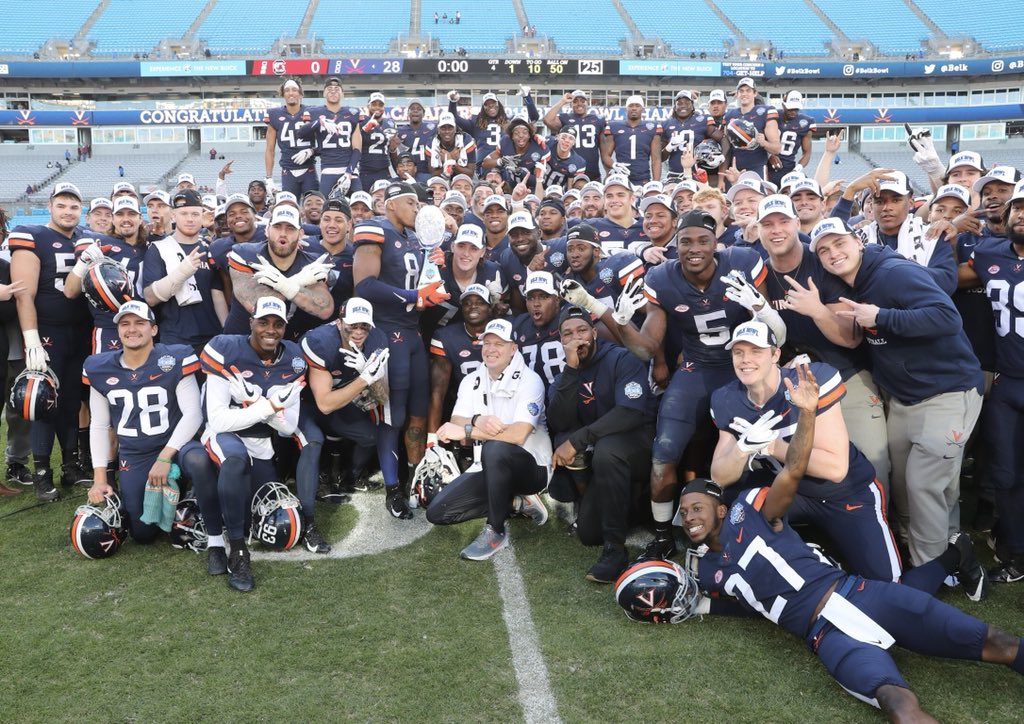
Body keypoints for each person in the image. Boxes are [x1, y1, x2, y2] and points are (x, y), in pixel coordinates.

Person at [673, 364, 1023, 720]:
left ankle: (952, 556)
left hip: (858, 594)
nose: (689, 518)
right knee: (898, 704)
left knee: (1001, 644)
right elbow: (753, 604)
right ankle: (954, 555)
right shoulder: (710, 570)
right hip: (824, 635)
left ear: (720, 509)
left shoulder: (750, 507)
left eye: (696, 508)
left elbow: (793, 471)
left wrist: (807, 413)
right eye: (683, 515)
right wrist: (701, 605)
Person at [811, 217, 984, 569]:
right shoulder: (850, 282)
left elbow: (946, 317)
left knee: (924, 487)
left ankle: (928, 573)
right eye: (824, 250)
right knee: (911, 489)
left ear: (858, 242)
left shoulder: (893, 272)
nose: (833, 253)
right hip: (905, 398)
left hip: (948, 391)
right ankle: (941, 556)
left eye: (839, 243)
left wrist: (881, 316)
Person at [611, 209, 782, 561]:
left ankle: (756, 522)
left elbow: (772, 333)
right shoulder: (661, 278)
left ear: (716, 243)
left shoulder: (743, 261)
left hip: (743, 368)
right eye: (685, 241)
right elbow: (645, 348)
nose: (694, 248)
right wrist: (623, 323)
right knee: (663, 455)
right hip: (696, 368)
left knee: (756, 453)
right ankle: (662, 536)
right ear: (675, 244)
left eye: (703, 240)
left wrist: (761, 308)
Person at [195, 297, 307, 591]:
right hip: (223, 438)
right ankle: (236, 552)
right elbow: (218, 422)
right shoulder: (225, 349)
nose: (271, 329)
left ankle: (222, 528)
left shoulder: (293, 359)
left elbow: (288, 428)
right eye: (264, 322)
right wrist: (267, 408)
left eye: (278, 324)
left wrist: (256, 401)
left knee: (252, 516)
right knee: (235, 460)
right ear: (251, 323)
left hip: (261, 442)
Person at [352, 181, 448, 517]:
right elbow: (363, 285)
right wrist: (415, 297)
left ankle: (414, 480)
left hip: (412, 334)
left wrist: (435, 272)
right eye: (411, 202)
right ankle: (392, 488)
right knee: (391, 416)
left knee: (418, 412)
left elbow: (425, 291)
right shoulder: (374, 229)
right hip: (386, 333)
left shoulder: (414, 239)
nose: (417, 209)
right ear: (391, 204)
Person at [427, 319, 552, 560]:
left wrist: (467, 431)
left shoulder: (530, 380)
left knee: (495, 449)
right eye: (487, 343)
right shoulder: (472, 378)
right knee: (438, 512)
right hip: (488, 466)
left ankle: (495, 530)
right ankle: (516, 502)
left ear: (513, 348)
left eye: (499, 344)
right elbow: (456, 420)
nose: (491, 349)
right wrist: (475, 420)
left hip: (532, 467)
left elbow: (517, 435)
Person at [547, 306, 655, 582]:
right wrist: (571, 370)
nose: (577, 338)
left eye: (582, 330)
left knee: (608, 450)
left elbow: (629, 413)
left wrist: (579, 439)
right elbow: (559, 421)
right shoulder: (564, 377)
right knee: (588, 533)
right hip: (605, 461)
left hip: (639, 448)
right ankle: (637, 503)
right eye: (568, 334)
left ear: (594, 332)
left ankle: (615, 551)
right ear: (561, 341)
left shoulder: (621, 359)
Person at [83, 301, 204, 543]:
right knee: (142, 533)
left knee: (199, 461)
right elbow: (98, 425)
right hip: (135, 454)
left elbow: (194, 414)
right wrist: (100, 479)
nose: (132, 329)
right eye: (125, 324)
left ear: (154, 329)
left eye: (140, 323)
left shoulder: (175, 357)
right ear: (118, 330)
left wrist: (164, 457)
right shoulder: (99, 367)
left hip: (176, 446)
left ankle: (192, 495)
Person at [9, 183, 92, 500]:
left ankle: (70, 466)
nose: (68, 211)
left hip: (79, 331)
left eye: (73, 206)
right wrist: (32, 340)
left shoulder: (85, 236)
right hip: (48, 332)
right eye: (62, 205)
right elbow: (23, 294)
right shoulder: (31, 234)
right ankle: (42, 473)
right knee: (43, 402)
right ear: (51, 205)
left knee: (71, 401)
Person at [960, 179, 1024, 582]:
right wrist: (948, 232)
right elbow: (943, 279)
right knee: (1005, 474)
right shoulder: (989, 254)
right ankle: (1016, 554)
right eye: (1018, 208)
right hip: (1008, 382)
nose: (1021, 215)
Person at [303, 297, 391, 500]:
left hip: (341, 397)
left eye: (364, 326)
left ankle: (350, 476)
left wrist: (371, 375)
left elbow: (383, 396)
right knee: (314, 437)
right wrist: (364, 378)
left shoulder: (376, 340)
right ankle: (322, 476)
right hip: (306, 402)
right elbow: (324, 405)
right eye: (353, 325)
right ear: (340, 322)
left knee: (371, 435)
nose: (359, 331)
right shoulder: (321, 342)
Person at [224, 204, 334, 341]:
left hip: (286, 345)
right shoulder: (244, 254)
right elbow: (254, 303)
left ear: (300, 234)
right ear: (267, 230)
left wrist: (286, 284)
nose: (283, 233)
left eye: (290, 228)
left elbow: (324, 309)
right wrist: (298, 281)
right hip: (240, 340)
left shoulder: (312, 262)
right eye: (277, 227)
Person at [142, 189, 221, 350]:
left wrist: (225, 331)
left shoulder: (210, 248)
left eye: (195, 214)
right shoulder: (158, 249)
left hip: (211, 337)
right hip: (174, 338)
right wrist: (182, 272)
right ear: (173, 215)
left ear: (202, 216)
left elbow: (218, 296)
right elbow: (150, 297)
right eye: (184, 214)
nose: (190, 219)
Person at [427, 283, 491, 433]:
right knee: (464, 437)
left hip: (500, 401)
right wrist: (432, 441)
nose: (473, 307)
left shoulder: (503, 331)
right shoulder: (446, 336)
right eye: (467, 303)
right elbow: (437, 393)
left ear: (490, 308)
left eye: (480, 302)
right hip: (465, 406)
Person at [298, 77, 363, 196]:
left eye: (337, 89)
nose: (333, 91)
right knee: (326, 208)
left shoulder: (353, 113)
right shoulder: (314, 112)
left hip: (349, 169)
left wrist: (349, 173)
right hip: (328, 169)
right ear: (323, 93)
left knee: (358, 205)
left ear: (342, 93)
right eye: (329, 88)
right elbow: (301, 134)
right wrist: (319, 122)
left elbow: (357, 149)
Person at [264, 78, 317, 197]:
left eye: (294, 89)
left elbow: (322, 143)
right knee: (289, 207)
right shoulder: (274, 115)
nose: (291, 93)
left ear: (300, 93)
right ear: (283, 93)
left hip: (308, 169)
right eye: (287, 90)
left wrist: (312, 150)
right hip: (288, 171)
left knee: (314, 207)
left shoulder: (312, 112)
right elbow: (270, 149)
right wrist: (268, 177)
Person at [723, 77, 781, 177]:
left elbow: (776, 149)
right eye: (741, 91)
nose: (744, 94)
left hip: (757, 167)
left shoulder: (765, 112)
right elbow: (727, 146)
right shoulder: (729, 115)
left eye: (748, 90)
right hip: (734, 169)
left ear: (755, 93)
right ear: (737, 94)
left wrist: (764, 143)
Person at [600, 95, 662, 185]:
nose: (634, 108)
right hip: (621, 177)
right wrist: (614, 165)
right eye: (631, 106)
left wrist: (656, 183)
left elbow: (656, 159)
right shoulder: (614, 126)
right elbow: (605, 156)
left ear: (643, 109)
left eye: (637, 106)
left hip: (642, 178)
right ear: (625, 109)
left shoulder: (652, 127)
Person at [660, 90, 719, 178]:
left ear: (692, 105)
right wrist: (669, 147)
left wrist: (721, 156)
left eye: (687, 103)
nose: (683, 105)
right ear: (675, 106)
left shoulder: (702, 120)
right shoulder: (666, 124)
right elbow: (660, 158)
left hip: (697, 174)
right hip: (674, 174)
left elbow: (722, 138)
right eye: (679, 103)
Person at [769, 90, 816, 188]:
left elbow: (807, 152)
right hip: (766, 165)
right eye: (790, 108)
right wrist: (769, 155)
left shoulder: (806, 122)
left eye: (796, 108)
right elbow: (760, 141)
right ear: (783, 105)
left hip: (788, 168)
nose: (793, 112)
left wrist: (797, 169)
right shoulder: (772, 116)